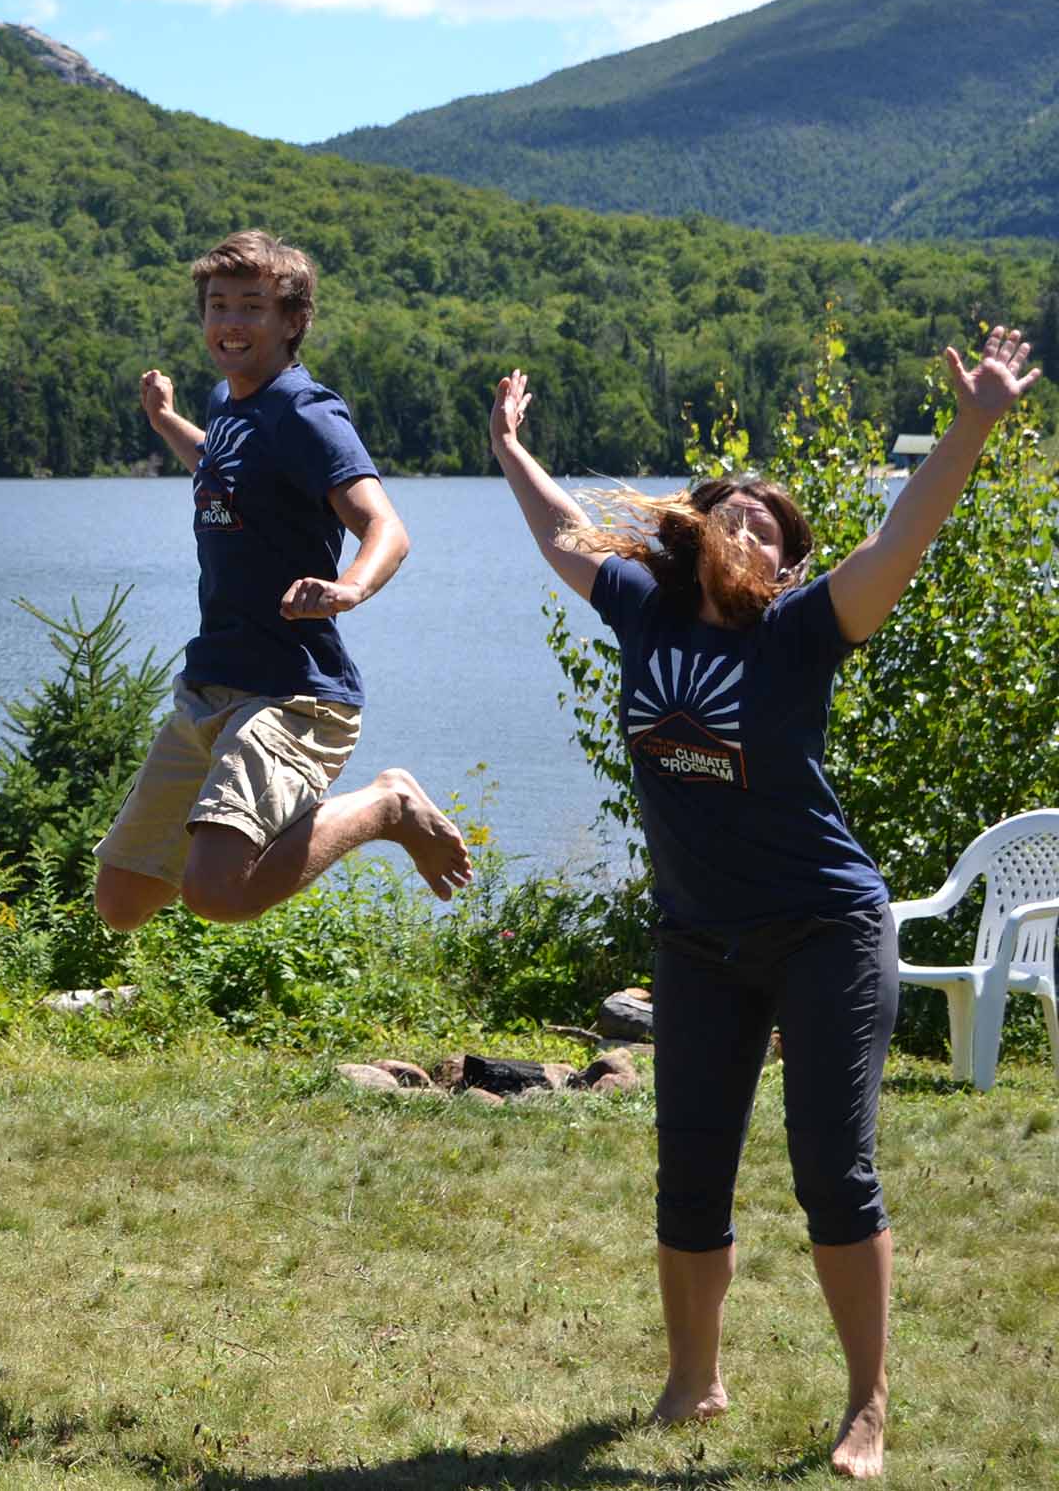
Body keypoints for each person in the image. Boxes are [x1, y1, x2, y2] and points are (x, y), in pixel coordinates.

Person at [487, 327, 1039, 1480]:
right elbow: (557, 529)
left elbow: (903, 531)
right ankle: (693, 1385)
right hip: (695, 936)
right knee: (688, 1169)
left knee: (831, 1166)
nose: (747, 530)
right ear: (696, 535)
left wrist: (975, 422)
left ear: (785, 566)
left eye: (769, 530)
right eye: (731, 514)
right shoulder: (641, 609)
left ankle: (867, 1408)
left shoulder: (803, 632)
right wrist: (506, 449)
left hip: (825, 928)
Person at [92, 230, 472, 935]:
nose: (229, 323)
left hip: (294, 692)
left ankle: (386, 806)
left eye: (251, 307)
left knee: (218, 890)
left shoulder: (305, 412)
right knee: (121, 903)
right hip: (212, 683)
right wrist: (165, 420)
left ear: (292, 321)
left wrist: (349, 587)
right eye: (217, 305)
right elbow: (224, 465)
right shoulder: (229, 403)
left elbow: (386, 528)